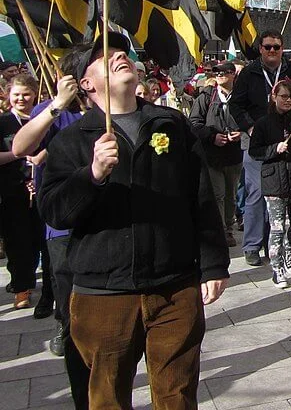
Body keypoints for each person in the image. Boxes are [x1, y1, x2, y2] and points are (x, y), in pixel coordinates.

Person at [38, 34, 229, 410]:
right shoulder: (72, 139)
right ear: (86, 84)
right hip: (104, 294)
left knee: (176, 394)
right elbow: (54, 211)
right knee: (107, 397)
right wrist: (91, 175)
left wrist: (213, 264)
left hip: (174, 286)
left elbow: (202, 199)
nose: (118, 56)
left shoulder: (170, 123)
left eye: (121, 52)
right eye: (103, 56)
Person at [12, 65, 90, 407]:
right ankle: (64, 323)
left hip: (102, 224)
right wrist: (58, 103)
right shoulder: (52, 109)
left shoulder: (108, 111)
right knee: (65, 287)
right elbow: (20, 147)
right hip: (61, 222)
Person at [229, 30, 291, 267]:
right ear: (260, 48)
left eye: (276, 47)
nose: (272, 51)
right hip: (256, 141)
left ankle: (274, 244)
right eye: (267, 47)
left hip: (284, 140)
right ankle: (251, 245)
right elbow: (236, 105)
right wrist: (249, 127)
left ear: (282, 48)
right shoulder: (250, 72)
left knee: (278, 194)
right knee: (257, 193)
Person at [249, 79, 291, 289]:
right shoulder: (263, 123)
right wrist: (274, 149)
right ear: (274, 97)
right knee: (277, 227)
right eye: (284, 96)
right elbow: (254, 151)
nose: (288, 101)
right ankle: (277, 269)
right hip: (274, 183)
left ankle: (289, 248)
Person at [188, 62, 243, 247]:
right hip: (212, 155)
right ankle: (222, 230)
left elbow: (252, 120)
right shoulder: (206, 97)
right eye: (217, 72)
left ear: (233, 75)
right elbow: (194, 123)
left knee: (231, 194)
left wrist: (240, 133)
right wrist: (212, 136)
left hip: (234, 155)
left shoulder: (241, 96)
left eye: (224, 72)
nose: (220, 75)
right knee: (217, 194)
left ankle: (229, 224)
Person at [0, 73, 42, 310]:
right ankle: (21, 287)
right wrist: (20, 153)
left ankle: (47, 288)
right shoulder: (3, 123)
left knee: (39, 240)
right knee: (17, 241)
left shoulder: (42, 117)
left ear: (34, 94)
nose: (21, 99)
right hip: (13, 191)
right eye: (16, 94)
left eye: (26, 94)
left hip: (41, 189)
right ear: (8, 96)